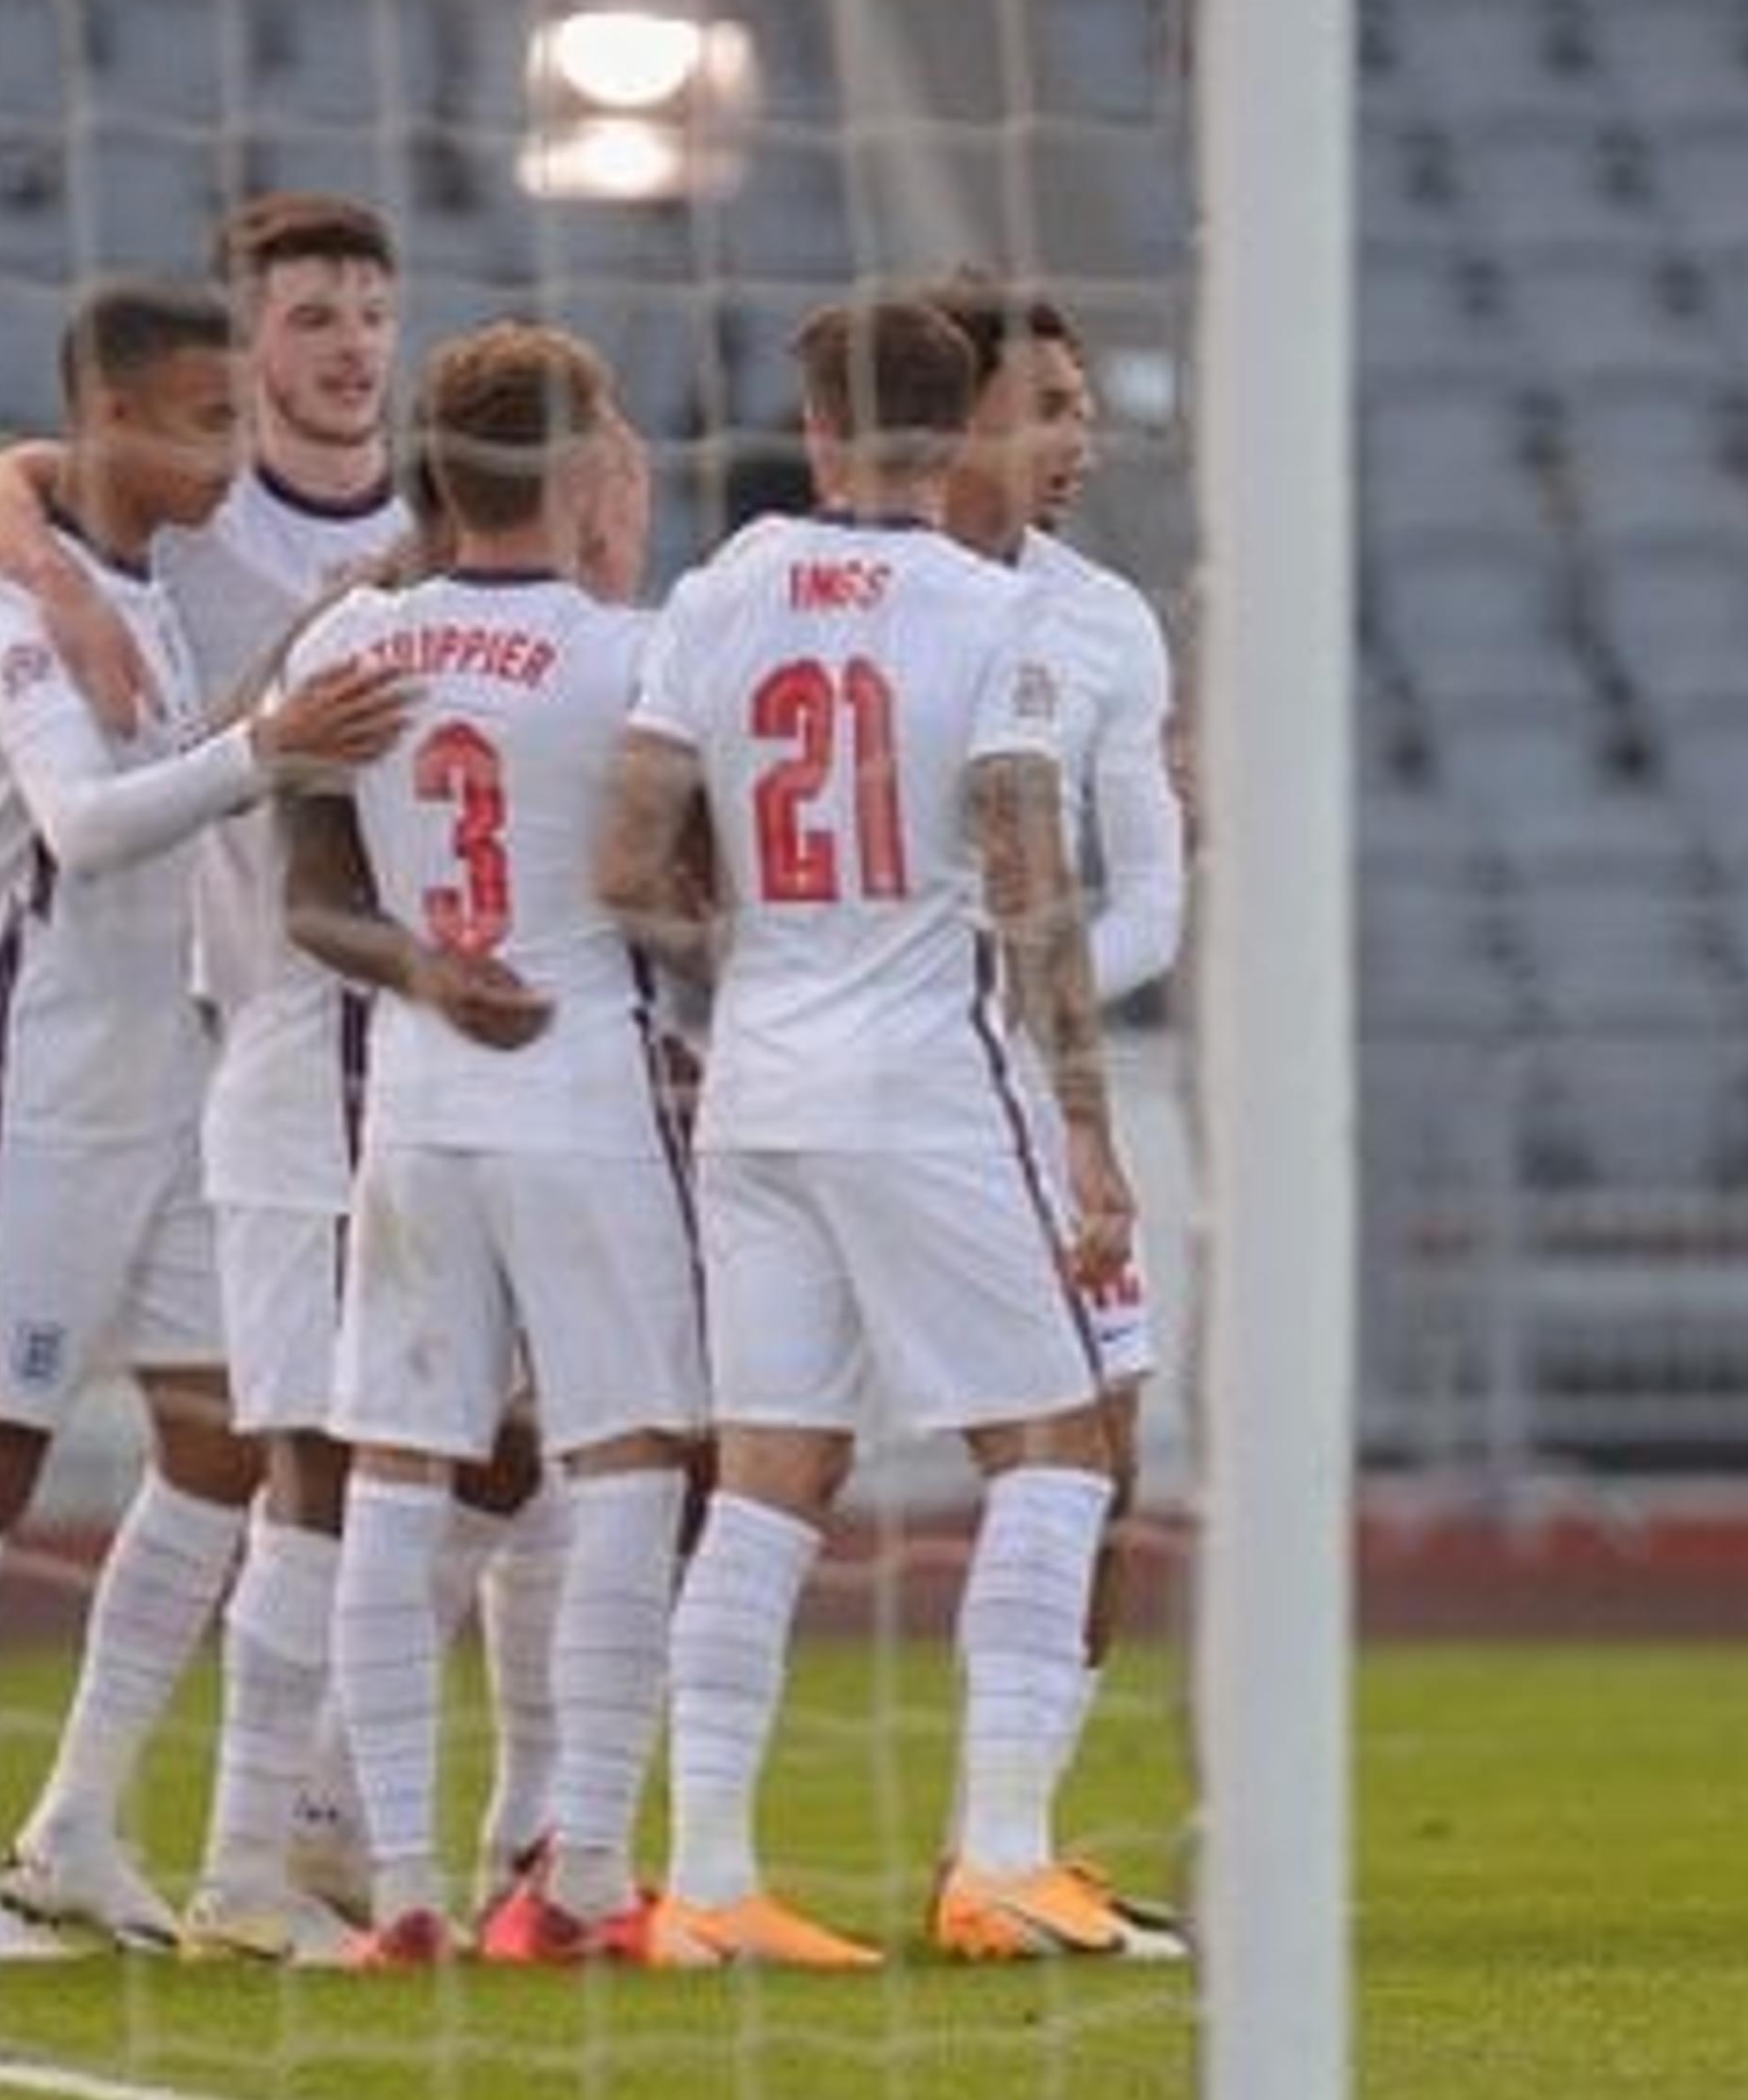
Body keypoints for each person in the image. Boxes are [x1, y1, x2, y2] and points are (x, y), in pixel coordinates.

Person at [0, 194, 570, 1956]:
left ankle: (97, 1821)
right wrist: (61, 575)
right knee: (16, 1456)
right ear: (234, 348)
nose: (348, 344)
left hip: (237, 1062)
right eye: (308, 318)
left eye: (373, 308)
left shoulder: (395, 524)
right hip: (142, 1059)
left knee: (242, 1443)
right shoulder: (120, 556)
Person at [600, 296, 1170, 1966]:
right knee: (1058, 1450)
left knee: (770, 1477)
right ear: (959, 429)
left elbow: (631, 861)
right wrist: (1086, 1128)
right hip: (930, 1079)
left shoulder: (721, 590)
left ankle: (702, 1880)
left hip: (756, 1086)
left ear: (823, 428)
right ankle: (1000, 1857)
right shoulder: (997, 616)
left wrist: (757, 951)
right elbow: (1028, 879)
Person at [0, 279, 412, 1950]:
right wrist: (270, 749)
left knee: (222, 1439)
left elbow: (190, 753)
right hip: (35, 1084)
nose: (236, 452)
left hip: (169, 1089)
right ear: (114, 423)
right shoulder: (26, 612)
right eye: (208, 421)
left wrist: (277, 703)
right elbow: (81, 828)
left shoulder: (139, 597)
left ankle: (74, 1818)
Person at [280, 323, 700, 1968]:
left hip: (417, 1090)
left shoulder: (361, 636)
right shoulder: (631, 659)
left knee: (397, 1467)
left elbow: (314, 898)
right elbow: (679, 893)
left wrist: (428, 965)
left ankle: (396, 1890)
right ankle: (585, 1863)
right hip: (579, 1077)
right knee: (629, 1459)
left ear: (436, 468)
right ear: (590, 463)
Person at [919, 273, 1185, 1884]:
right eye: (1047, 407)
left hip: (1013, 1074)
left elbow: (1155, 885)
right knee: (727, 1466)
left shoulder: (1103, 619)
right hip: (821, 1086)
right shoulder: (805, 587)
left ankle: (1000, 1844)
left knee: (1104, 1445)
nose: (1080, 439)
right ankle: (582, 1841)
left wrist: (1032, 1001)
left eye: (1084, 406)